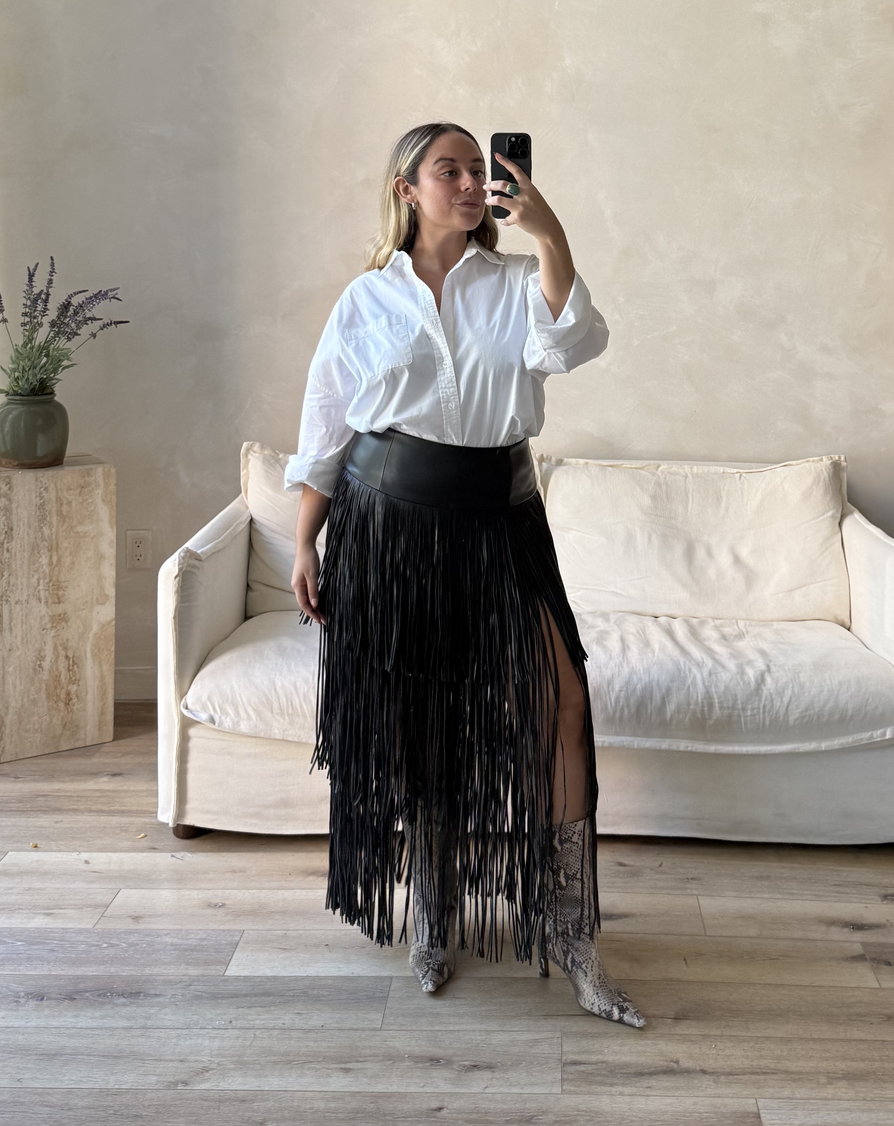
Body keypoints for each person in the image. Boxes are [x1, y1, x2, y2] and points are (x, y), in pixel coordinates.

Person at [286, 121, 644, 1028]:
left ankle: (571, 933)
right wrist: (302, 544)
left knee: (560, 697)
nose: (471, 180)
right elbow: (326, 430)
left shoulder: (520, 281)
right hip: (386, 528)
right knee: (423, 720)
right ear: (407, 188)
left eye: (479, 168)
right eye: (450, 168)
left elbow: (573, 344)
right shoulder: (366, 299)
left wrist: (550, 233)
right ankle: (434, 908)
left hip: (500, 521)